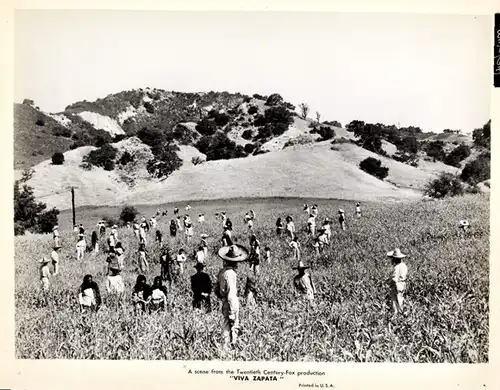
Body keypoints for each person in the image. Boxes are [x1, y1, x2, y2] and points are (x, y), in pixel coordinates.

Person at [215, 244, 249, 349]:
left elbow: (216, 289)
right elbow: (231, 293)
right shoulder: (231, 274)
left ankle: (225, 348)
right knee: (233, 326)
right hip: (230, 302)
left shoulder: (222, 272)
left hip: (224, 301)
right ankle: (230, 349)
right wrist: (232, 311)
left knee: (225, 325)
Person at [386, 248, 408, 316]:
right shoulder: (404, 265)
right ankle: (404, 316)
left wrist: (387, 282)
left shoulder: (397, 267)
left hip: (397, 286)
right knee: (401, 300)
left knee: (395, 303)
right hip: (403, 285)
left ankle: (397, 318)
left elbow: (394, 279)